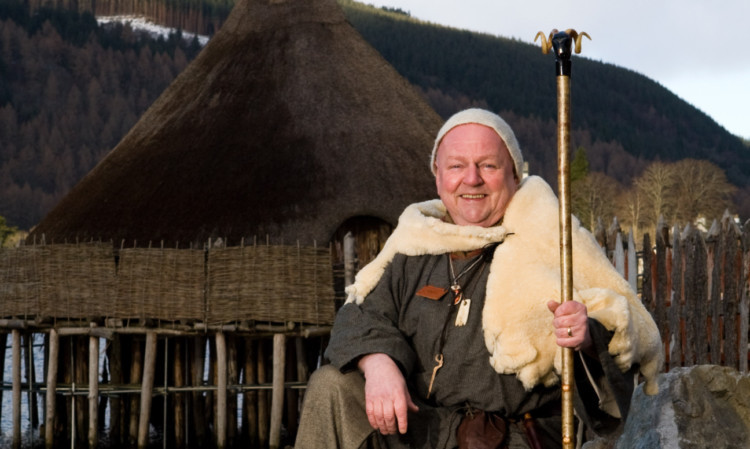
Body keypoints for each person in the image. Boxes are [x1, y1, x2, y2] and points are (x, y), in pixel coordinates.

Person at [294, 108, 662, 449]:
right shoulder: (417, 243)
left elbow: (622, 327)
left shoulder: (552, 243)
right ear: (438, 176)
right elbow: (358, 313)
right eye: (457, 166)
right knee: (331, 386)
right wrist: (378, 363)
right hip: (422, 428)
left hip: (512, 439)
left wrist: (587, 338)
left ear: (514, 175)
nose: (472, 179)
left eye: (488, 165)